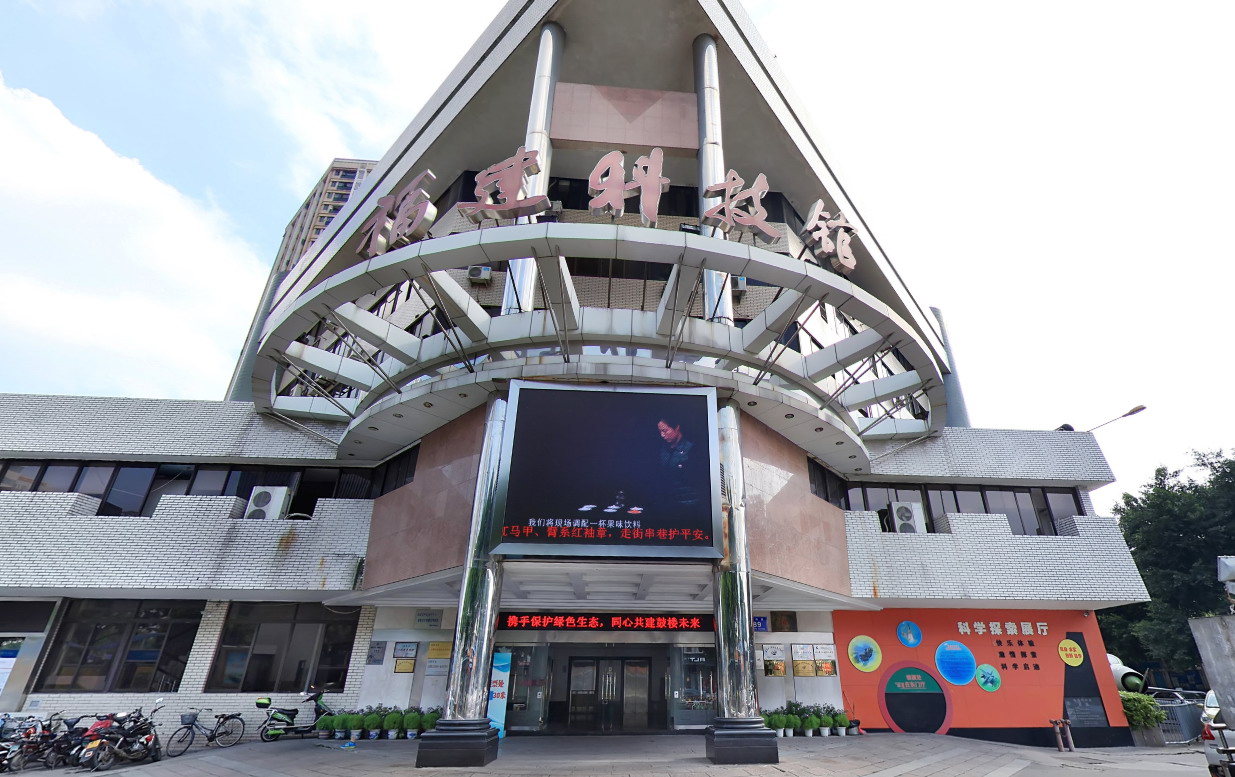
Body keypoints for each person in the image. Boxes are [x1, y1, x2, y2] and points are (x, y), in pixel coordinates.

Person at [655, 415, 704, 511]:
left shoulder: (692, 449)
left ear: (677, 427)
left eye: (665, 431)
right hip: (671, 504)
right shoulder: (663, 449)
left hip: (691, 504)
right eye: (660, 431)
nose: (662, 435)